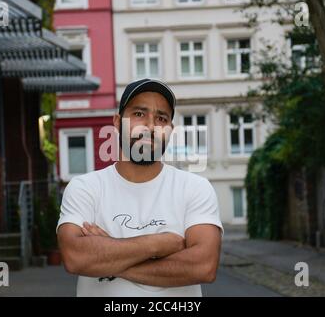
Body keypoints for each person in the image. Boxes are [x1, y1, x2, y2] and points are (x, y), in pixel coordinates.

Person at [57, 79, 223, 297]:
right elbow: (75, 258)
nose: (150, 126)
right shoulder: (85, 188)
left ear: (170, 130)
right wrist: (159, 244)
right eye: (138, 114)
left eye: (161, 118)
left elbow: (204, 266)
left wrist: (108, 255)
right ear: (117, 122)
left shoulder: (195, 188)